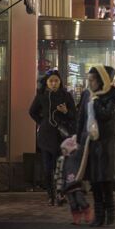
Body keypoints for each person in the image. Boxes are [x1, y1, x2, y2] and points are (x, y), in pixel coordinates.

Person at [77, 65, 115, 227]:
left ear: (101, 80)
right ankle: (99, 215)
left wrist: (95, 103)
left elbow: (107, 114)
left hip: (106, 144)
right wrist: (78, 138)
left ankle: (111, 212)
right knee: (94, 182)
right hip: (90, 144)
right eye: (88, 80)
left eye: (93, 80)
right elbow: (81, 117)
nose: (90, 83)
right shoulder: (88, 95)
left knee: (105, 182)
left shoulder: (113, 95)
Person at [29, 69, 76, 206]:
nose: (54, 83)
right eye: (51, 81)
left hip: (62, 136)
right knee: (47, 167)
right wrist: (42, 122)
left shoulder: (66, 96)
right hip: (46, 136)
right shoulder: (41, 96)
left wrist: (66, 112)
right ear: (47, 82)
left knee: (61, 167)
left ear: (60, 82)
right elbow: (32, 112)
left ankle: (61, 193)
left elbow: (74, 115)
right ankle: (51, 194)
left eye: (56, 81)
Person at [54, 135, 92, 225]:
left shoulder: (76, 157)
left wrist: (78, 141)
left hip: (77, 183)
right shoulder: (62, 160)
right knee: (72, 203)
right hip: (67, 186)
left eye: (64, 149)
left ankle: (88, 212)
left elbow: (82, 151)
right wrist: (60, 189)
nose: (62, 151)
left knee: (80, 199)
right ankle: (76, 217)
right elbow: (61, 174)